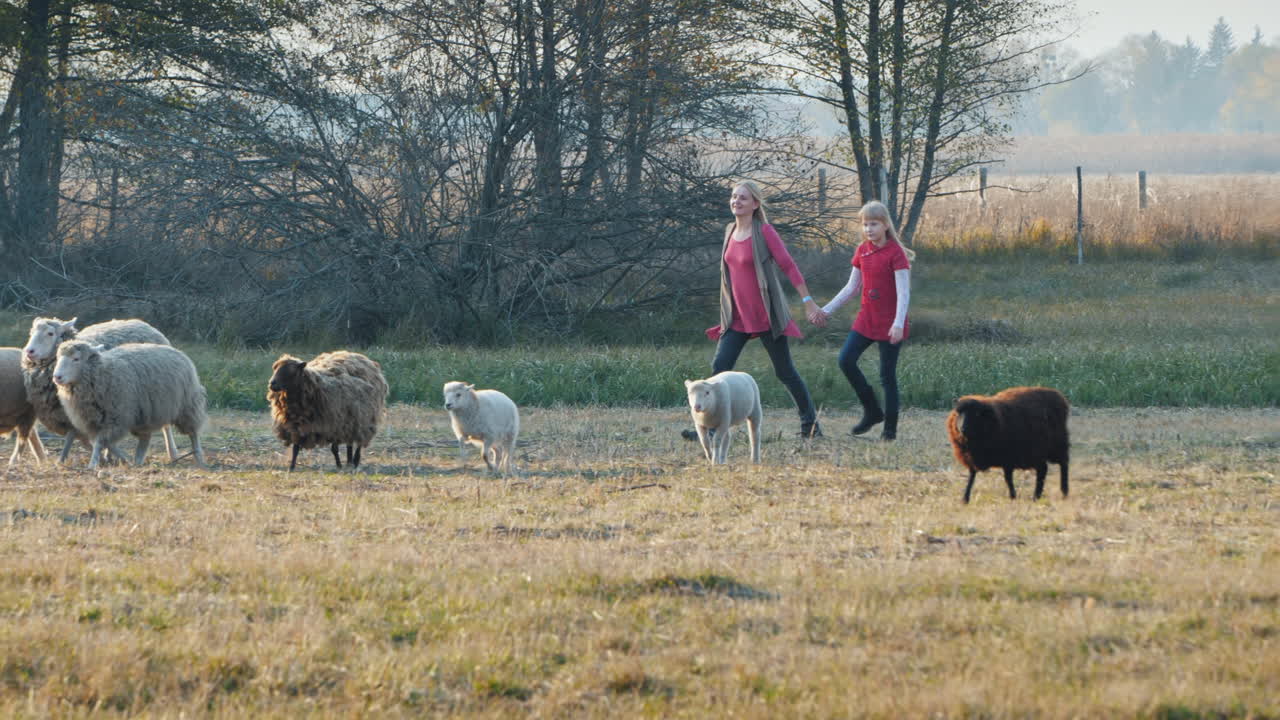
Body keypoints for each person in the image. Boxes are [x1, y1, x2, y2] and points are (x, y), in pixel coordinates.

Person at [685, 181, 827, 440]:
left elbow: (789, 266)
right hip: (737, 317)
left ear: (755, 204)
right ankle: (712, 427)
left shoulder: (765, 232)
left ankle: (811, 426)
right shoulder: (730, 230)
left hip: (766, 316)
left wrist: (808, 302)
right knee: (719, 369)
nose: (736, 201)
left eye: (743, 198)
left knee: (785, 372)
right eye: (733, 197)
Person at [812, 200, 913, 440]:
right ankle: (872, 411)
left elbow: (904, 293)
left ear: (886, 225)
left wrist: (898, 323)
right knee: (846, 360)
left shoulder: (896, 254)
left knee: (887, 376)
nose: (869, 229)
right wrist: (826, 311)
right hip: (866, 320)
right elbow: (851, 288)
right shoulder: (862, 251)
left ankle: (890, 430)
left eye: (874, 224)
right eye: (865, 224)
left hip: (891, 324)